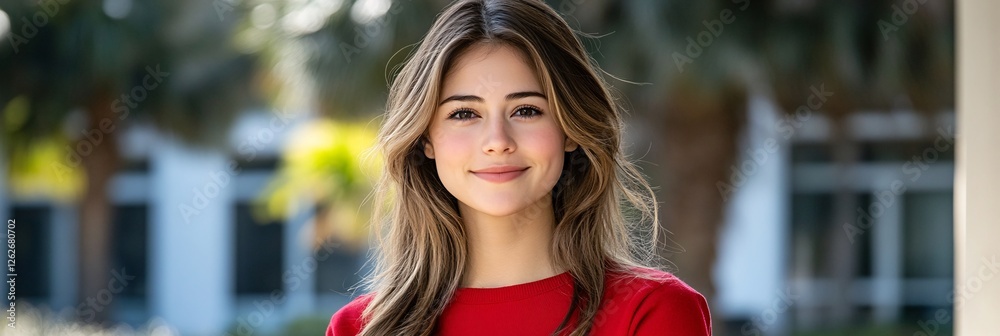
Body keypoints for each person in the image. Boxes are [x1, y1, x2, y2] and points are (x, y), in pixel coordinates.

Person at [326, 0, 711, 335]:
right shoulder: (358, 328)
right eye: (464, 113)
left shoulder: (652, 312)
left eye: (526, 110)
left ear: (569, 129)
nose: (497, 140)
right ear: (426, 138)